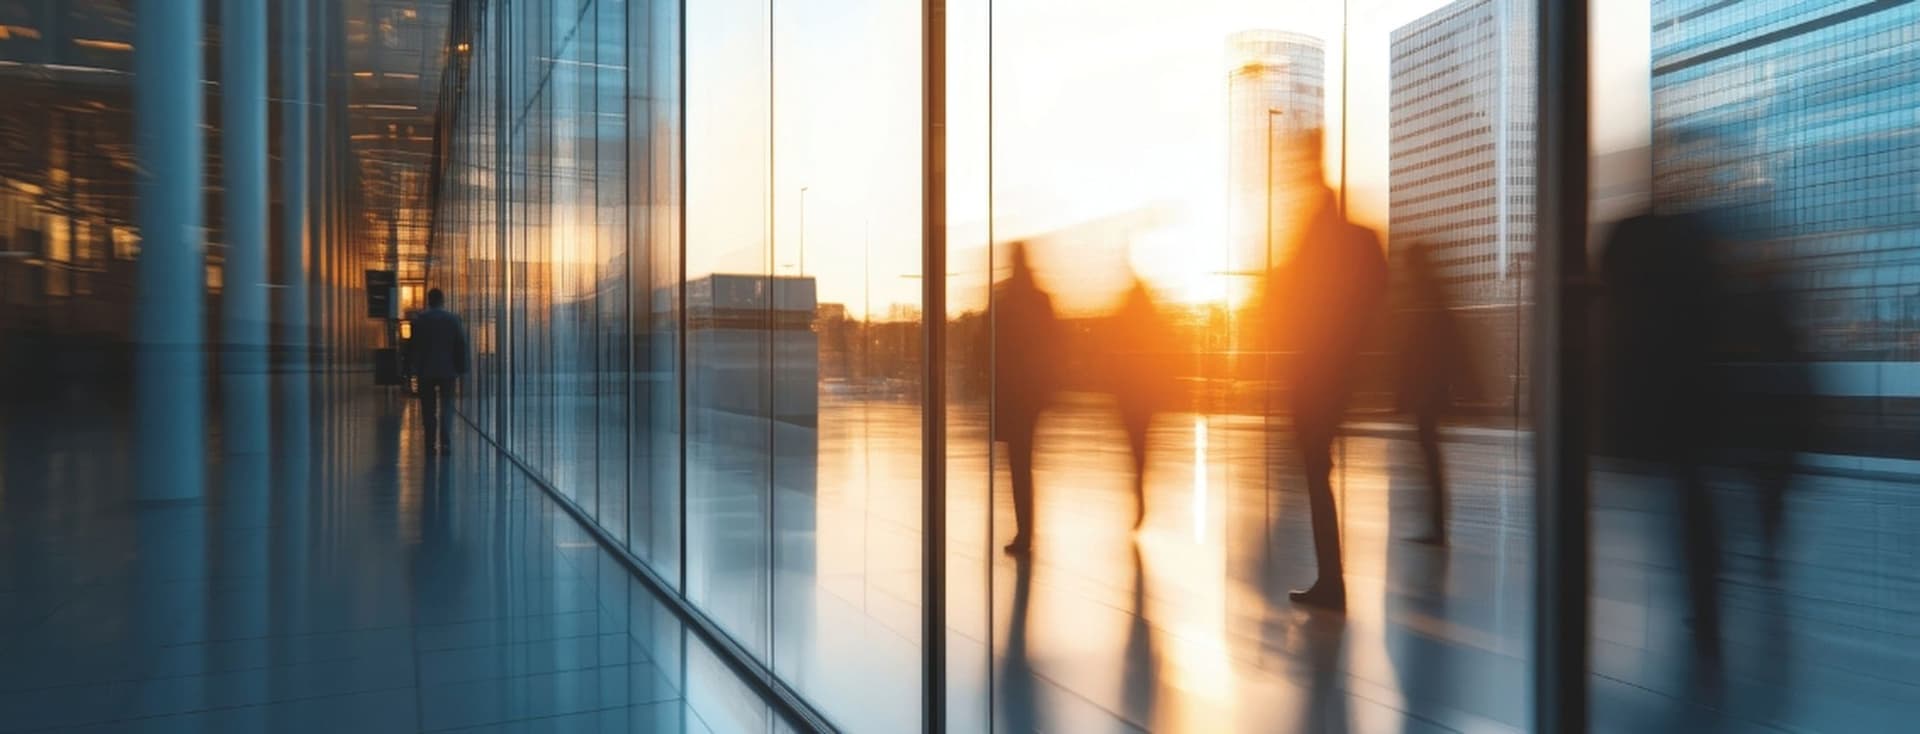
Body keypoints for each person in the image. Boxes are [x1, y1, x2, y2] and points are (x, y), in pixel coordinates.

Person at [1270, 130, 1388, 611]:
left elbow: (1297, 304)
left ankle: (1332, 581)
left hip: (1320, 374)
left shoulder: (1322, 232)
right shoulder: (1350, 234)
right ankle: (1330, 577)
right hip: (1335, 372)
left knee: (1316, 473)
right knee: (1318, 472)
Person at [1599, 211, 1723, 658]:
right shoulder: (1693, 290)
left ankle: (1703, 602)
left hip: (1668, 410)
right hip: (1695, 410)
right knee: (1693, 499)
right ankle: (1706, 603)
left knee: (1685, 504)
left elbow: (1625, 356)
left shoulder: (1639, 305)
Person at [1396, 240, 1467, 545]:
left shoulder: (1426, 298)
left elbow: (1421, 350)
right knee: (1429, 456)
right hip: (1431, 391)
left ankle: (1437, 526)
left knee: (1429, 457)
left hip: (1428, 392)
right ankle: (1436, 524)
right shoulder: (1430, 295)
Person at [996, 242, 1060, 555]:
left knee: (1018, 465)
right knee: (1024, 463)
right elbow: (1053, 346)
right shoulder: (1040, 300)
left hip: (1012, 394)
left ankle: (1025, 532)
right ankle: (1026, 530)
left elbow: (989, 344)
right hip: (1031, 394)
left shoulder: (1006, 299)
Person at [1108, 276, 1175, 530]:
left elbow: (1116, 358)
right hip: (1144, 397)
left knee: (1134, 449)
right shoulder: (1150, 319)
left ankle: (1139, 495)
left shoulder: (1126, 319)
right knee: (1141, 449)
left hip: (1130, 398)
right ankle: (1140, 494)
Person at [408, 288, 468, 456]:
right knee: (447, 407)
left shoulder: (419, 321)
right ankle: (446, 443)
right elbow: (460, 345)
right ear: (443, 300)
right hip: (448, 370)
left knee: (428, 409)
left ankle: (430, 444)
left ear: (429, 300)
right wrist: (462, 368)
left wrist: (411, 368)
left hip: (425, 370)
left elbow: (413, 347)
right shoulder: (453, 320)